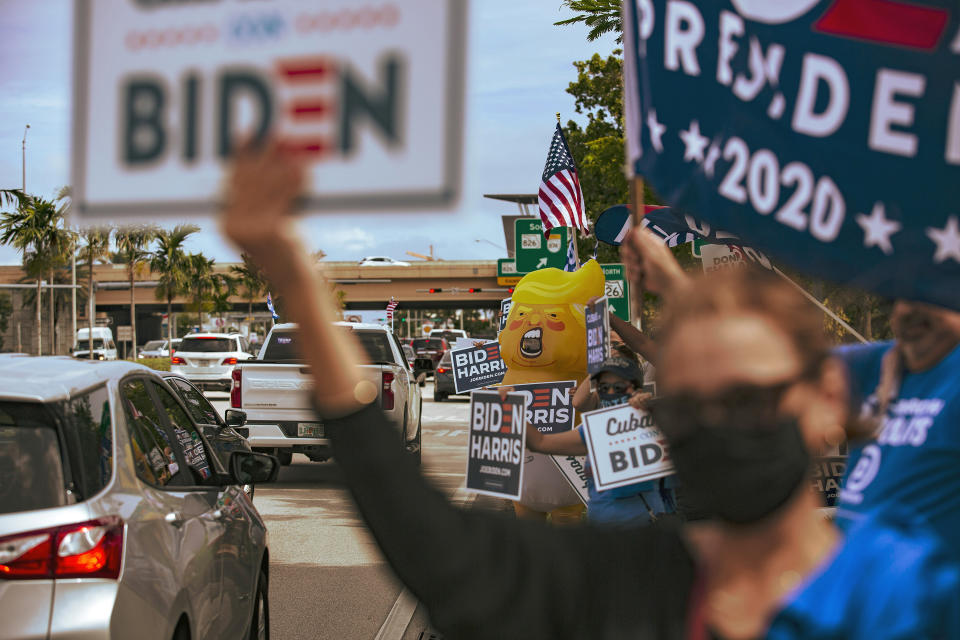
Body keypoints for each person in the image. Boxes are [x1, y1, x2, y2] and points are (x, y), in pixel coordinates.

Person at [221, 145, 960, 639]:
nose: (716, 425)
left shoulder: (911, 596)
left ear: (829, 398)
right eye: (683, 408)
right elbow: (433, 545)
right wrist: (295, 279)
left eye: (745, 399)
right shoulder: (630, 585)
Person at [526, 349, 678, 527]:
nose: (612, 392)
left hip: (647, 536)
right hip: (601, 535)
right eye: (604, 387)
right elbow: (540, 442)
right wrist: (508, 406)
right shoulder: (597, 429)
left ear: (637, 386)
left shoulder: (656, 419)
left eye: (619, 386)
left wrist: (653, 410)